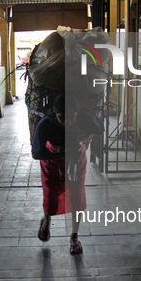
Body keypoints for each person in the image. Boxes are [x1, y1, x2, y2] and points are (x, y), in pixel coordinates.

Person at [31, 94, 100, 255]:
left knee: (76, 196)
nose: (67, 121)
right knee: (51, 196)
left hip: (76, 161)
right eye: (62, 117)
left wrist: (85, 139)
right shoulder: (46, 124)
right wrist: (60, 156)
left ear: (77, 112)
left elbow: (97, 128)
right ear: (54, 112)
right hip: (52, 163)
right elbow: (36, 153)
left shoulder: (84, 118)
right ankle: (47, 219)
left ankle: (74, 237)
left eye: (72, 116)